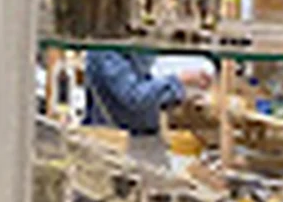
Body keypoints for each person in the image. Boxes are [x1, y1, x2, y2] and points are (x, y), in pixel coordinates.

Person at [83, 46, 214, 137]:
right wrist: (180, 80)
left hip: (144, 135)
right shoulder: (105, 51)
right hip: (113, 139)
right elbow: (134, 96)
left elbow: (148, 76)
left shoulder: (134, 46)